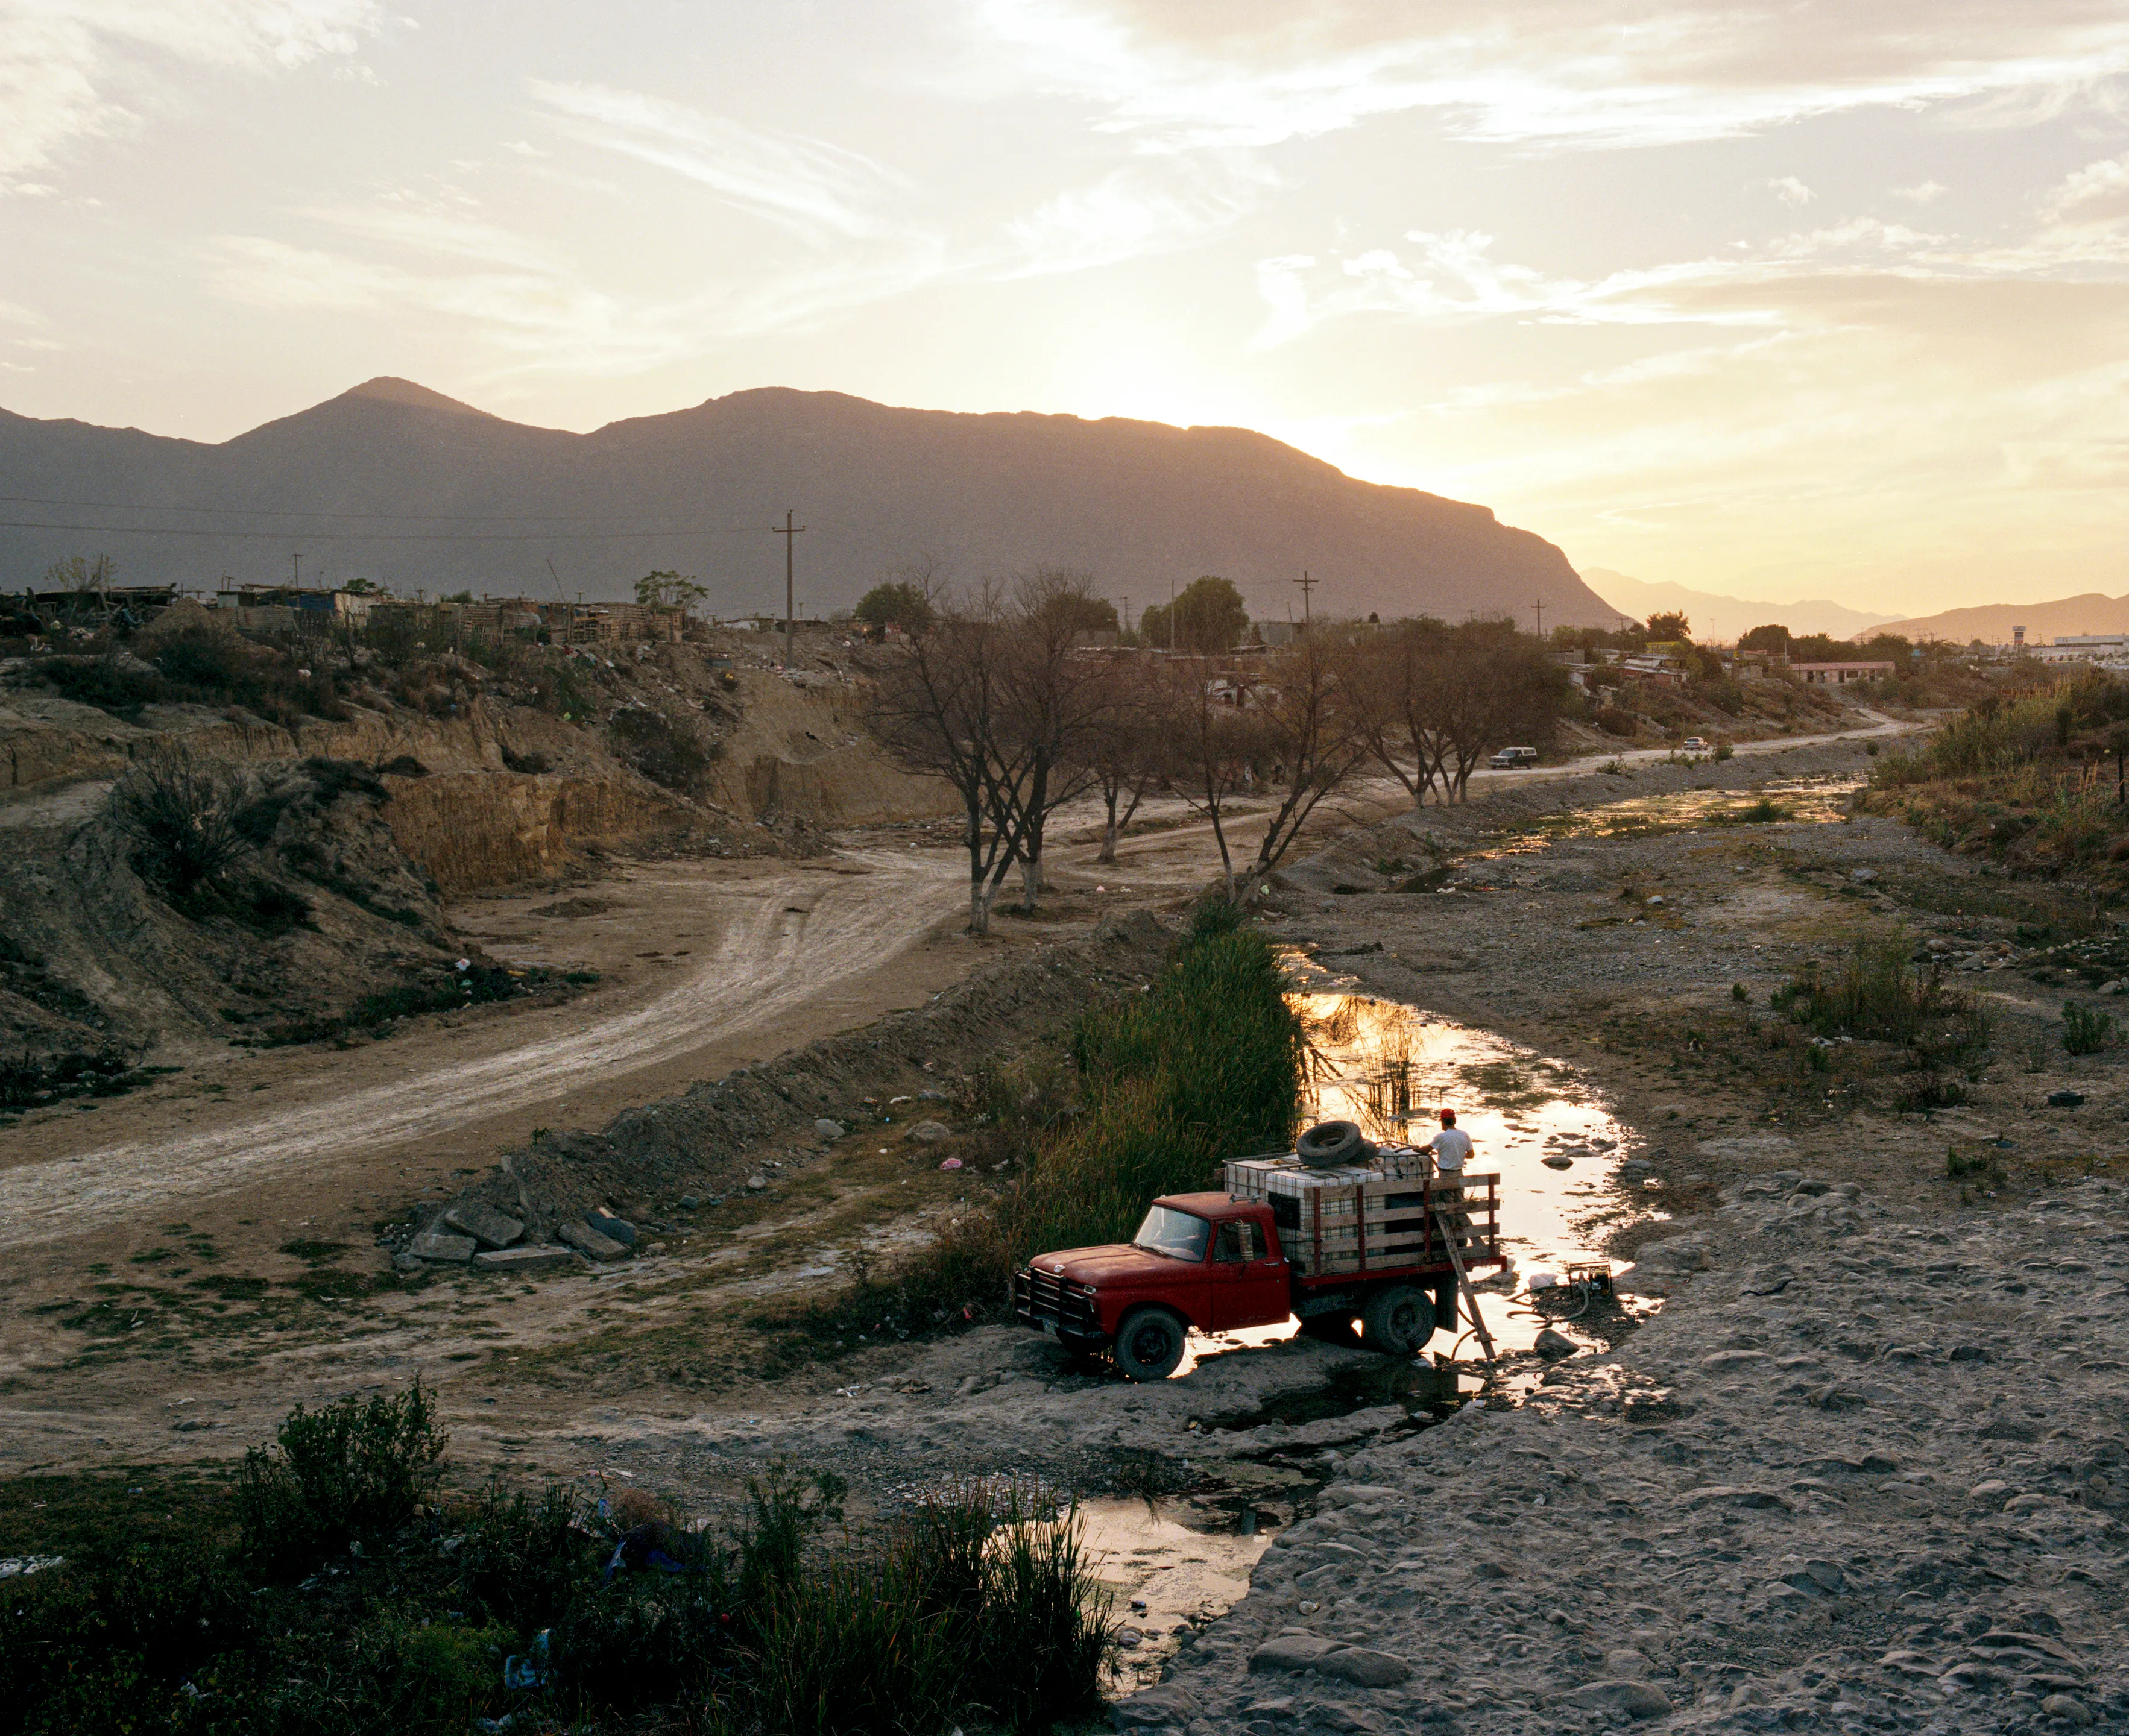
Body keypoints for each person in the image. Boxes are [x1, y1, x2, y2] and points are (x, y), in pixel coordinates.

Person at [1423, 1108, 1473, 1250]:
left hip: (1445, 1175)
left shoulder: (1441, 1137)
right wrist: (1458, 1155)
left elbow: (1426, 1150)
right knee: (1459, 1204)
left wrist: (1416, 1149)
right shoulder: (1464, 1135)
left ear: (1443, 1122)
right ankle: (1465, 1236)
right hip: (1459, 1174)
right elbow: (1471, 1154)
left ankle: (1451, 1239)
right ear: (1455, 1121)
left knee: (1447, 1206)